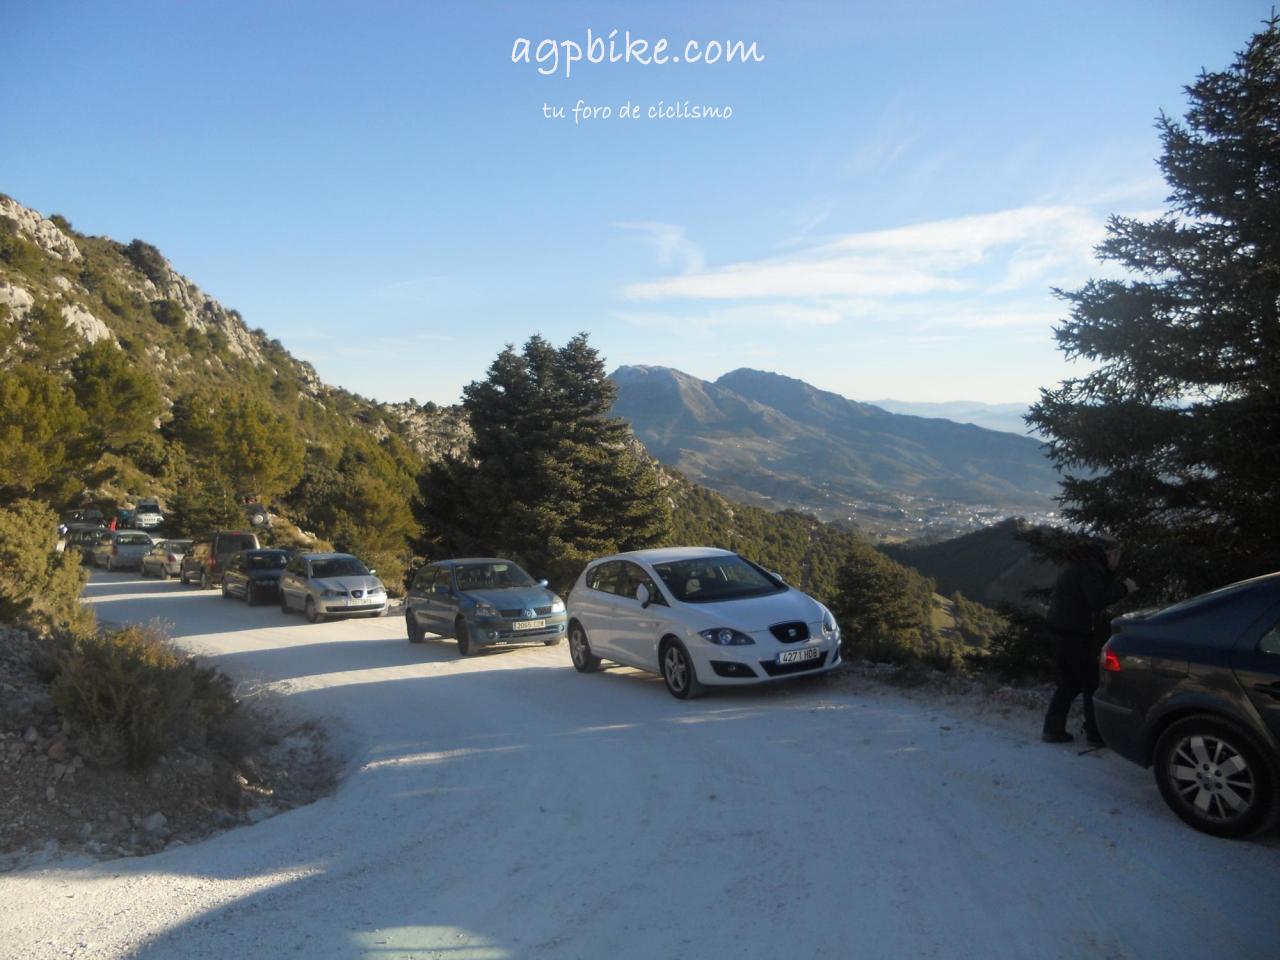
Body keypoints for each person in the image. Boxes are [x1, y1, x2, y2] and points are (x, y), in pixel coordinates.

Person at [1041, 534, 1138, 747]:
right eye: (1117, 555)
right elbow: (1097, 599)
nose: (1117, 560)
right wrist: (1124, 588)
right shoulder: (1090, 568)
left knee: (1069, 682)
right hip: (1074, 634)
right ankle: (1095, 735)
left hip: (1059, 630)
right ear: (1110, 554)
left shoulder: (1080, 563)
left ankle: (1053, 729)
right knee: (1091, 683)